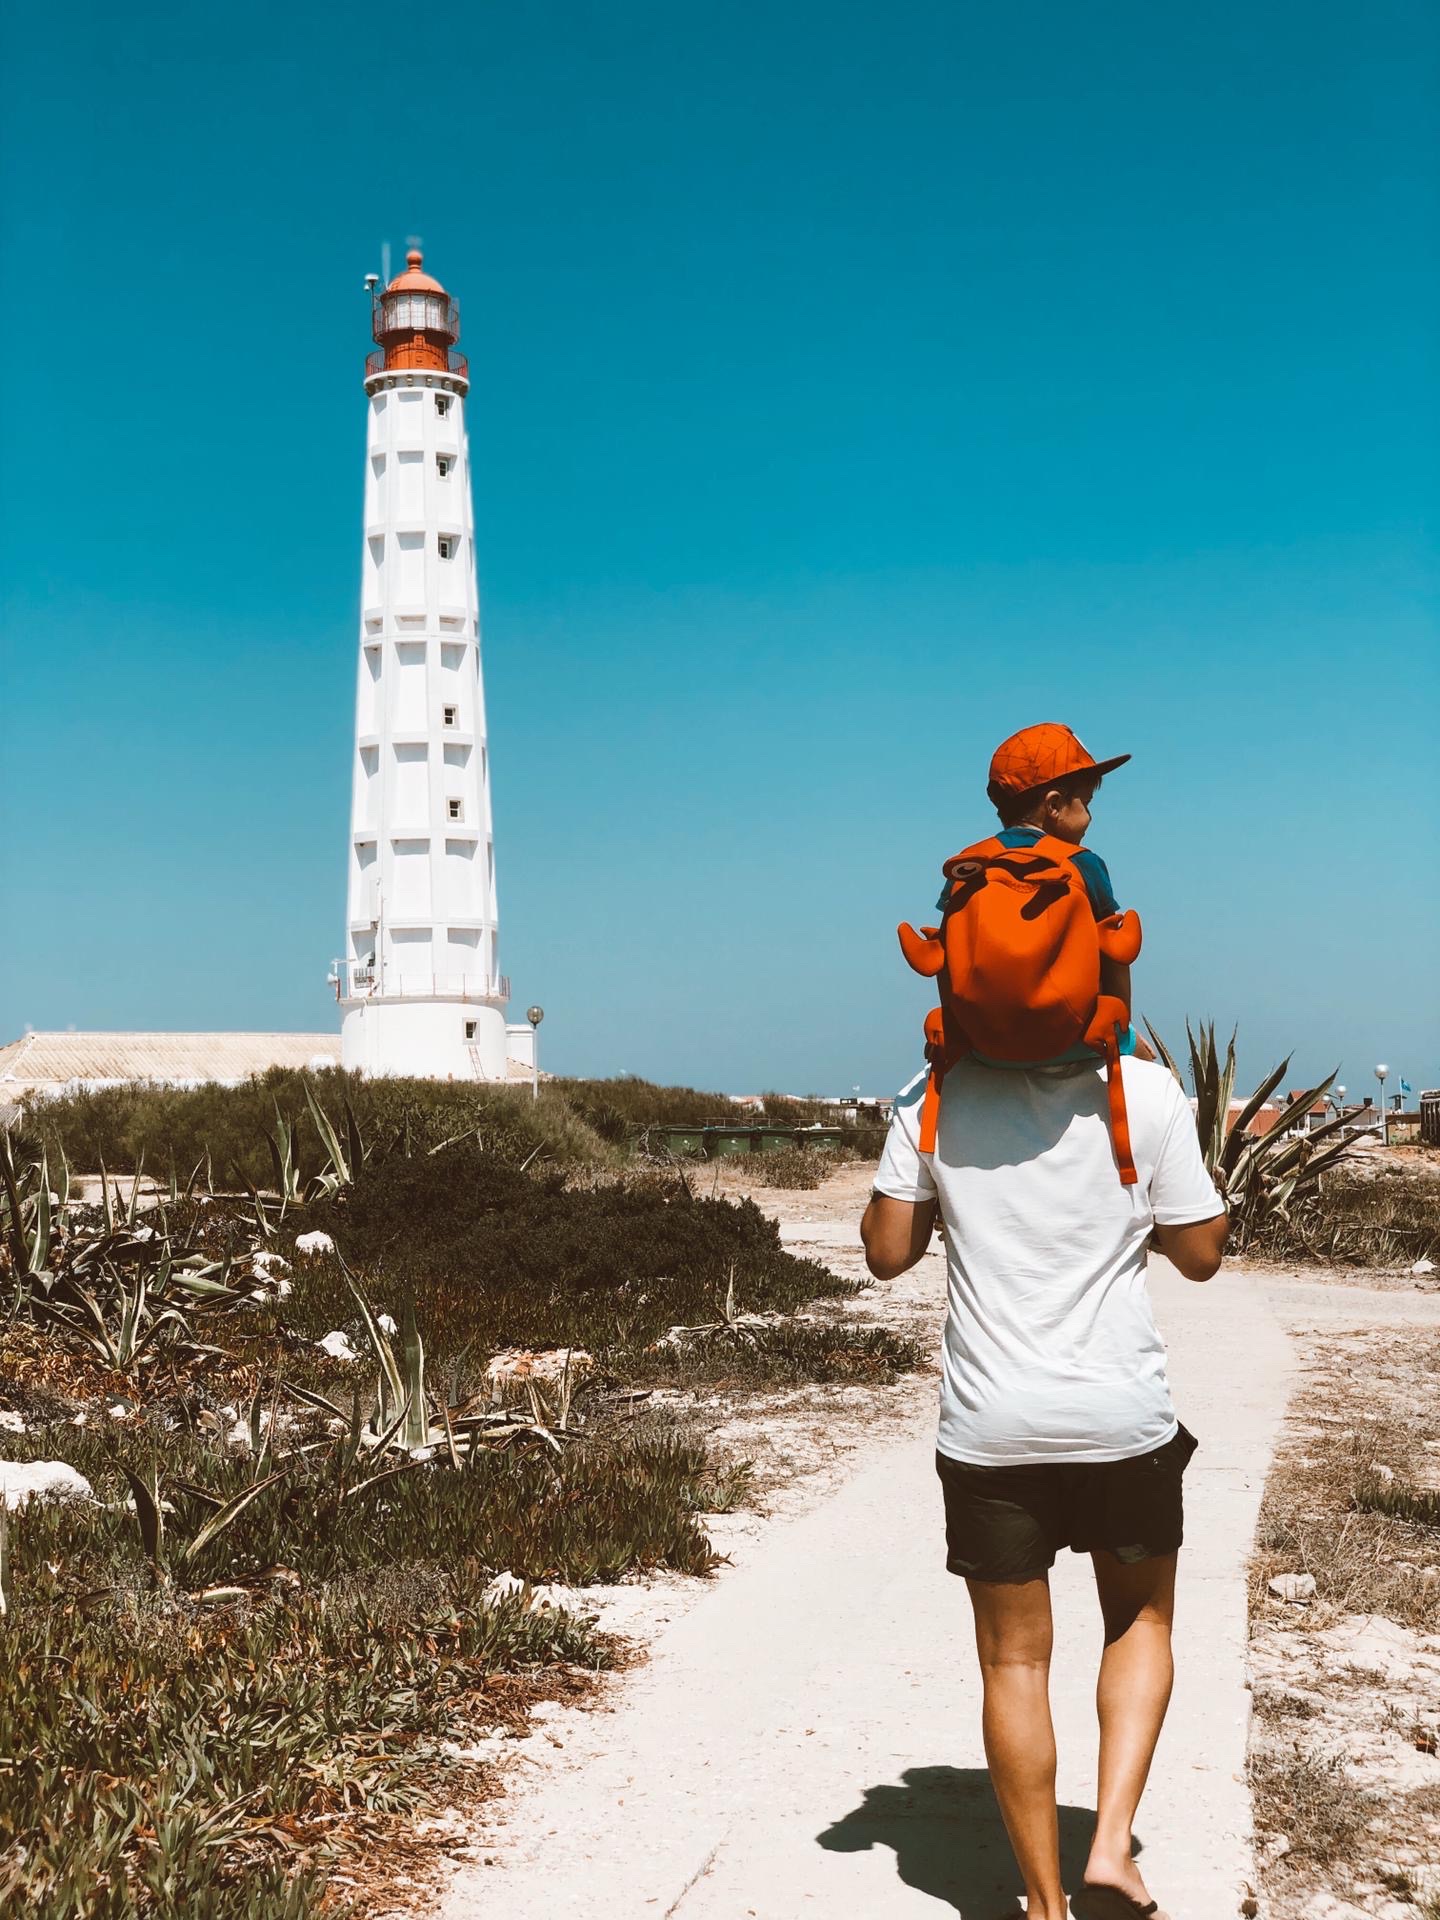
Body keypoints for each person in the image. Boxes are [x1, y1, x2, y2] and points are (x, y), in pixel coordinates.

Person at [863, 752, 1228, 1920]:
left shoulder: (930, 1099)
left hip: (993, 1428)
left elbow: (886, 1254)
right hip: (1120, 1418)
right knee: (1141, 1621)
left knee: (1014, 1661)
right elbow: (1202, 1255)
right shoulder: (1150, 1094)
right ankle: (1111, 1842)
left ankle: (1041, 1904)